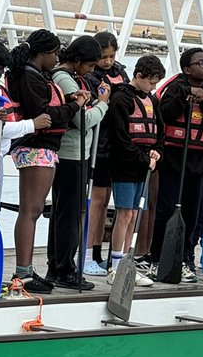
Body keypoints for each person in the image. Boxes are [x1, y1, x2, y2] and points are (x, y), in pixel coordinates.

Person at [5, 29, 89, 292]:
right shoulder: (29, 77)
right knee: (31, 210)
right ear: (41, 53)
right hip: (36, 147)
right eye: (53, 53)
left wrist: (68, 101)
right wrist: (75, 106)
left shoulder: (35, 75)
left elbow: (49, 107)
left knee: (34, 209)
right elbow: (43, 113)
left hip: (44, 148)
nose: (56, 58)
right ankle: (23, 272)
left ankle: (27, 270)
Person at [150, 48, 203, 282]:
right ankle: (157, 258)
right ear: (187, 69)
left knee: (192, 214)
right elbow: (164, 113)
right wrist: (186, 96)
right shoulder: (176, 87)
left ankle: (186, 258)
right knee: (165, 210)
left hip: (199, 161)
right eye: (200, 62)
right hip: (174, 158)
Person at [48, 35, 109, 289]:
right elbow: (82, 119)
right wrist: (103, 105)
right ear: (76, 60)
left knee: (68, 213)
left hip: (78, 154)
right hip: (70, 155)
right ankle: (63, 268)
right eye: (90, 65)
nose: (93, 70)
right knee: (69, 214)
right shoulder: (64, 78)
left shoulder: (74, 78)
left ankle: (60, 266)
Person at [100, 53, 164, 286]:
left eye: (156, 83)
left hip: (145, 166)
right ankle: (116, 267)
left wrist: (157, 152)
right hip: (126, 166)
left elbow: (159, 132)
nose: (153, 87)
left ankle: (128, 263)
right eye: (150, 82)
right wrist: (142, 159)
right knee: (125, 214)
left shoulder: (152, 100)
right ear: (138, 76)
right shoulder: (121, 100)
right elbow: (120, 137)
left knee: (135, 214)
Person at [85, 31, 129, 275]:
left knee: (107, 201)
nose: (108, 61)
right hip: (98, 145)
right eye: (104, 56)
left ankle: (101, 253)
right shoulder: (91, 75)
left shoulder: (121, 72)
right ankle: (89, 252)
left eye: (112, 56)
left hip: (116, 143)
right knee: (97, 201)